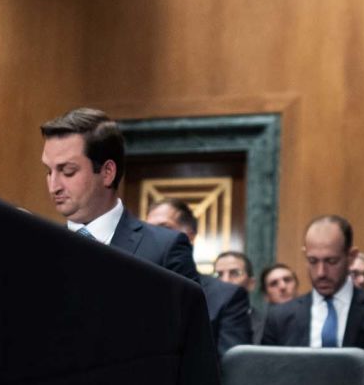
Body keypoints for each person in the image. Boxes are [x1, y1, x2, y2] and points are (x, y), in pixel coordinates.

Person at [39, 108, 199, 283]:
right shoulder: (41, 248)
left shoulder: (165, 249)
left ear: (107, 172)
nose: (53, 186)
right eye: (49, 171)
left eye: (68, 171)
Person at [260, 216, 364, 360]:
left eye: (331, 261)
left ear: (351, 257)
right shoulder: (279, 318)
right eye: (313, 261)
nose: (321, 272)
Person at [146, 199, 252, 354]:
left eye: (163, 228)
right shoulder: (134, 288)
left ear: (189, 237)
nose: (153, 237)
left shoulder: (227, 296)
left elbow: (233, 368)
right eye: (148, 230)